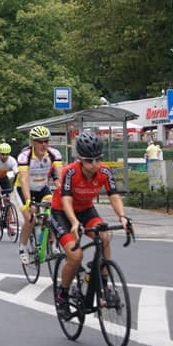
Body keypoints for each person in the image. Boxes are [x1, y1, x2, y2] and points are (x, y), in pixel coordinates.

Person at [50, 130, 129, 319]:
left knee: (104, 236)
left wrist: (122, 217)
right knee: (75, 255)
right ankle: (62, 294)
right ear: (80, 159)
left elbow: (114, 195)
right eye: (89, 161)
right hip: (62, 212)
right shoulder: (70, 172)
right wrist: (74, 222)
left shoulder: (104, 171)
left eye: (98, 159)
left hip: (86, 209)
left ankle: (103, 283)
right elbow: (66, 199)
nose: (94, 164)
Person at [15, 126, 63, 264]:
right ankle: (23, 247)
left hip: (42, 188)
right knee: (30, 219)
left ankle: (52, 244)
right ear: (32, 142)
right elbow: (24, 179)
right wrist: (28, 201)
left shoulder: (54, 154)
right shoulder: (25, 156)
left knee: (54, 210)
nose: (43, 144)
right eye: (39, 141)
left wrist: (65, 193)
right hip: (24, 189)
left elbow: (60, 175)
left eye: (46, 141)